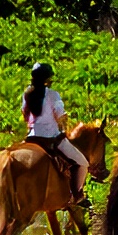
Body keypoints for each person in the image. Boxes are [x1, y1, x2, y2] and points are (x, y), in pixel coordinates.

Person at [23, 60, 90, 209]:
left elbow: (25, 114)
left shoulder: (26, 94)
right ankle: (77, 195)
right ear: (47, 79)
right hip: (50, 137)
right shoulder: (53, 95)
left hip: (31, 137)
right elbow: (60, 116)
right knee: (82, 163)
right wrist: (63, 124)